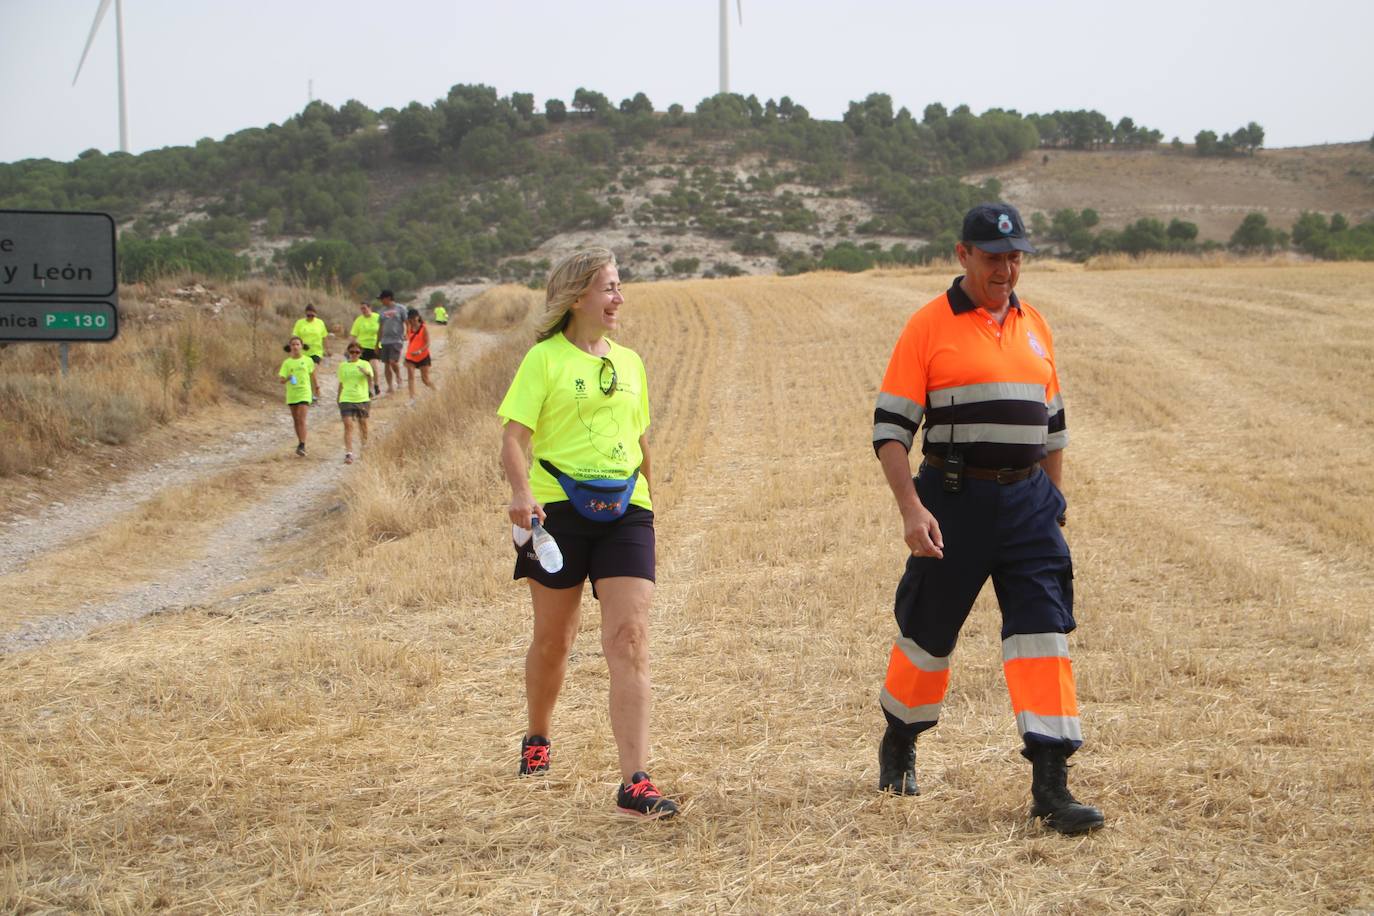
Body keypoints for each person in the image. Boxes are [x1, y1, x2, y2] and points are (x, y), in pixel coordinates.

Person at [871, 203, 1104, 835]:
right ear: (963, 255)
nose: (1007, 268)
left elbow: (1052, 426)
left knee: (1043, 636)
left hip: (1029, 507)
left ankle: (1051, 785)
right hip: (952, 503)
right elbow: (890, 432)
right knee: (927, 633)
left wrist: (1052, 504)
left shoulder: (1035, 325)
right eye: (994, 256)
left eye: (1015, 256)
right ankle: (901, 736)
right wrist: (911, 510)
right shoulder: (928, 326)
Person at [497, 247, 677, 819]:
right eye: (608, 288)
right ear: (578, 297)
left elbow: (641, 438)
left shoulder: (631, 364)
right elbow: (512, 439)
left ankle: (635, 782)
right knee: (555, 640)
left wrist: (652, 493)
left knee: (629, 638)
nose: (619, 298)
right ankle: (538, 734)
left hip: (628, 511)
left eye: (620, 286)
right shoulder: (543, 360)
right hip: (556, 513)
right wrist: (522, 496)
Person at [336, 340, 374, 464]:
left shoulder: (365, 364)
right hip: (346, 398)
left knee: (363, 424)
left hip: (362, 398)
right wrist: (338, 397)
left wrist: (366, 373)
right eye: (352, 352)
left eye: (357, 352)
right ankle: (349, 453)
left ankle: (364, 446)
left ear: (361, 353)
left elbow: (370, 377)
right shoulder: (343, 366)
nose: (354, 354)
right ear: (348, 352)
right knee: (348, 425)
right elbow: (341, 382)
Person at [278, 335, 314, 457]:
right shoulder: (287, 363)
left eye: (297, 344)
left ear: (301, 346)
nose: (295, 347)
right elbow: (281, 380)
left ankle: (303, 444)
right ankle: (300, 442)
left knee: (301, 417)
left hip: (304, 392)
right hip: (292, 393)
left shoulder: (308, 360)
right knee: (296, 420)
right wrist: (287, 378)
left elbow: (313, 376)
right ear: (290, 347)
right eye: (293, 344)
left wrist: (317, 389)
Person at [376, 290, 407, 397]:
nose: (381, 301)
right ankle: (390, 386)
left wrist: (407, 333)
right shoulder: (381, 312)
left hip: (396, 339)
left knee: (393, 361)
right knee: (386, 364)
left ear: (388, 298)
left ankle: (398, 376)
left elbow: (406, 322)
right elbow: (380, 328)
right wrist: (377, 343)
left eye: (382, 299)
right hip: (385, 340)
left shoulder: (400, 308)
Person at [350, 301, 383, 397]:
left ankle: (376, 385)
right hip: (362, 347)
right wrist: (352, 346)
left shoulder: (377, 317)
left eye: (364, 308)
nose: (363, 311)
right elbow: (353, 334)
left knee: (374, 367)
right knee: (364, 369)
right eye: (361, 309)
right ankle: (369, 388)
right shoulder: (359, 320)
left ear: (370, 307)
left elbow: (382, 330)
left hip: (375, 346)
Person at [404, 308, 435, 400]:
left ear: (418, 317)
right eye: (411, 319)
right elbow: (407, 337)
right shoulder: (409, 327)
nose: (413, 320)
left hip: (423, 355)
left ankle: (435, 390)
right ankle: (412, 397)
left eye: (414, 318)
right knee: (410, 376)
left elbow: (428, 342)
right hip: (411, 355)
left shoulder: (423, 328)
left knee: (425, 379)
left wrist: (420, 351)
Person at [292, 303, 330, 368]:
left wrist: (327, 349)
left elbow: (324, 337)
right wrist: (294, 349)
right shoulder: (299, 323)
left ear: (315, 314)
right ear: (305, 314)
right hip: (303, 352)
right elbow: (295, 337)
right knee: (304, 372)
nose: (310, 317)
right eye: (308, 315)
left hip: (316, 352)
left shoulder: (320, 323)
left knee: (313, 371)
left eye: (312, 315)